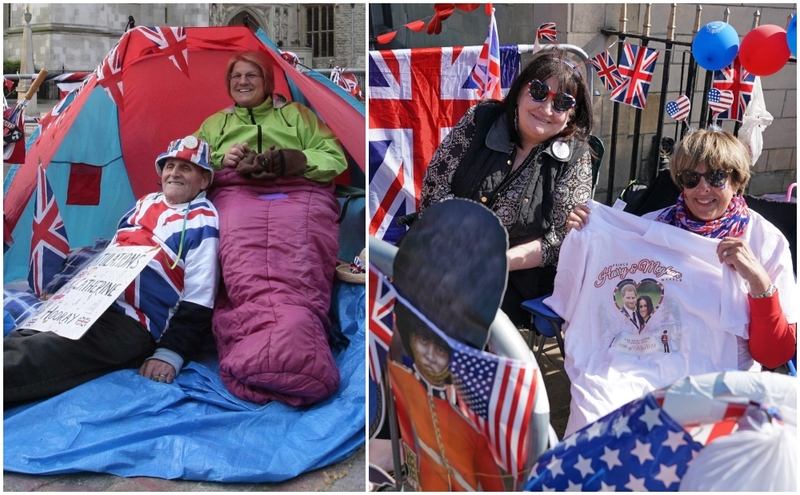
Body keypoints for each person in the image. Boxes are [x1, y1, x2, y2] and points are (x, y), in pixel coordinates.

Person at [4, 137, 219, 406]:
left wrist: (170, 353)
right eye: (169, 166)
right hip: (88, 303)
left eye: (186, 168)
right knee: (24, 336)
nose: (174, 172)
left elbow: (199, 299)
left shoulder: (203, 222)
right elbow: (109, 256)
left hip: (131, 322)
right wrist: (68, 290)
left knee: (36, 356)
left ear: (204, 180)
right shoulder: (144, 203)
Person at [568, 128, 796, 371]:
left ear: (736, 180)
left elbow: (774, 356)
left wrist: (759, 282)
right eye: (691, 178)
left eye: (716, 177)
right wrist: (587, 230)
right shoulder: (652, 227)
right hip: (648, 361)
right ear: (681, 183)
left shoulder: (765, 240)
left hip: (720, 375)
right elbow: (604, 281)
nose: (703, 188)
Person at [194, 51, 347, 406]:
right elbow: (190, 165)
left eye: (252, 75)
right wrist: (221, 161)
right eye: (236, 77)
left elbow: (334, 158)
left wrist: (294, 160)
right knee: (238, 253)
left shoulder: (296, 116)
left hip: (298, 193)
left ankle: (296, 337)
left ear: (267, 81)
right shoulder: (214, 124)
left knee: (299, 251)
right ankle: (269, 343)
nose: (243, 82)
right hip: (238, 194)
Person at [418, 49, 594, 327]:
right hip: (447, 244)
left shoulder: (575, 155)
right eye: (538, 91)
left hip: (515, 273)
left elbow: (561, 240)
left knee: (465, 315)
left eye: (562, 102)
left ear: (572, 114)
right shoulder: (481, 121)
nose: (546, 109)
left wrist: (498, 261)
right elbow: (434, 190)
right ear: (521, 89)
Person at [388, 304, 505, 491]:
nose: (430, 355)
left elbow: (493, 487)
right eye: (424, 340)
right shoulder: (404, 383)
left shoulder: (473, 433)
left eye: (441, 350)